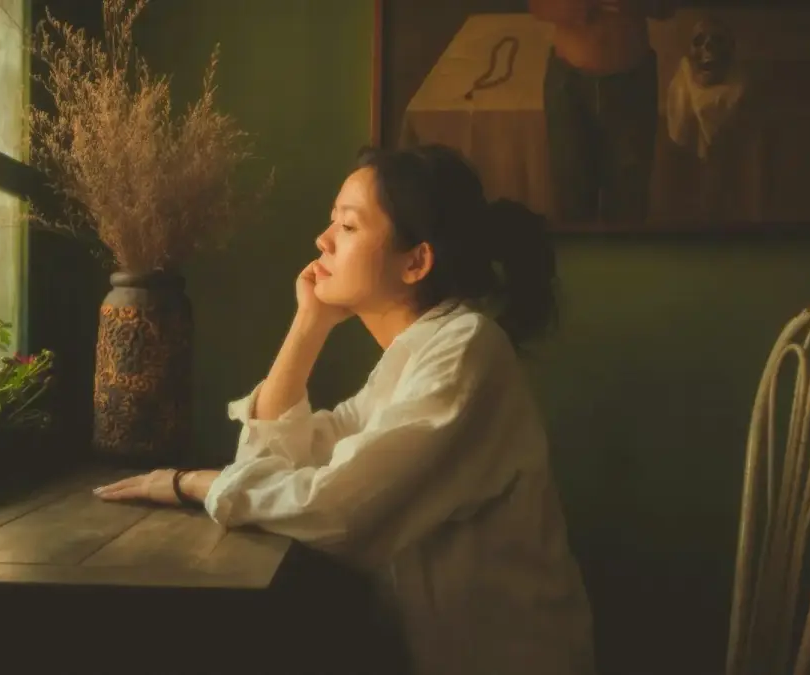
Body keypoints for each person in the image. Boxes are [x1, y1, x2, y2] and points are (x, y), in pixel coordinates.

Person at [94, 144, 596, 675]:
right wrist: (308, 324)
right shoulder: (414, 358)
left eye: (349, 227)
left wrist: (190, 483)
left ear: (416, 261)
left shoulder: (467, 349)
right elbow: (277, 460)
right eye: (331, 221)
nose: (322, 239)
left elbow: (339, 512)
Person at [530, 0, 678, 223]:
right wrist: (573, 8)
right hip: (568, 84)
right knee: (571, 205)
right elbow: (537, 6)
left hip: (632, 81)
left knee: (629, 207)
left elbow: (666, 7)